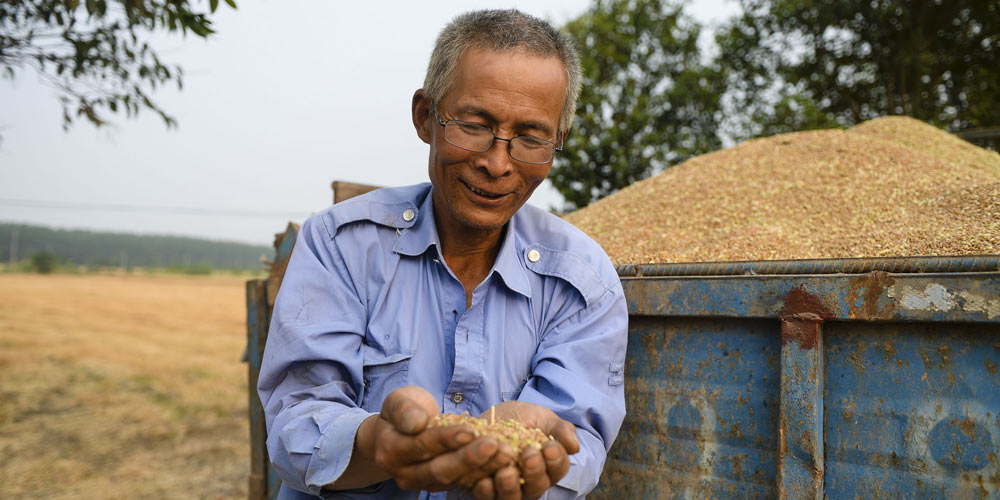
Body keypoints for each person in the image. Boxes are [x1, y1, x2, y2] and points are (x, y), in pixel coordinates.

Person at [257, 9, 627, 500]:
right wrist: (378, 443)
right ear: (425, 116)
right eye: (474, 125)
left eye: (531, 138)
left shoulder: (584, 281)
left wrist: (522, 459)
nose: (497, 163)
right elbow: (297, 418)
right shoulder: (341, 244)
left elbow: (573, 445)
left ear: (557, 142)